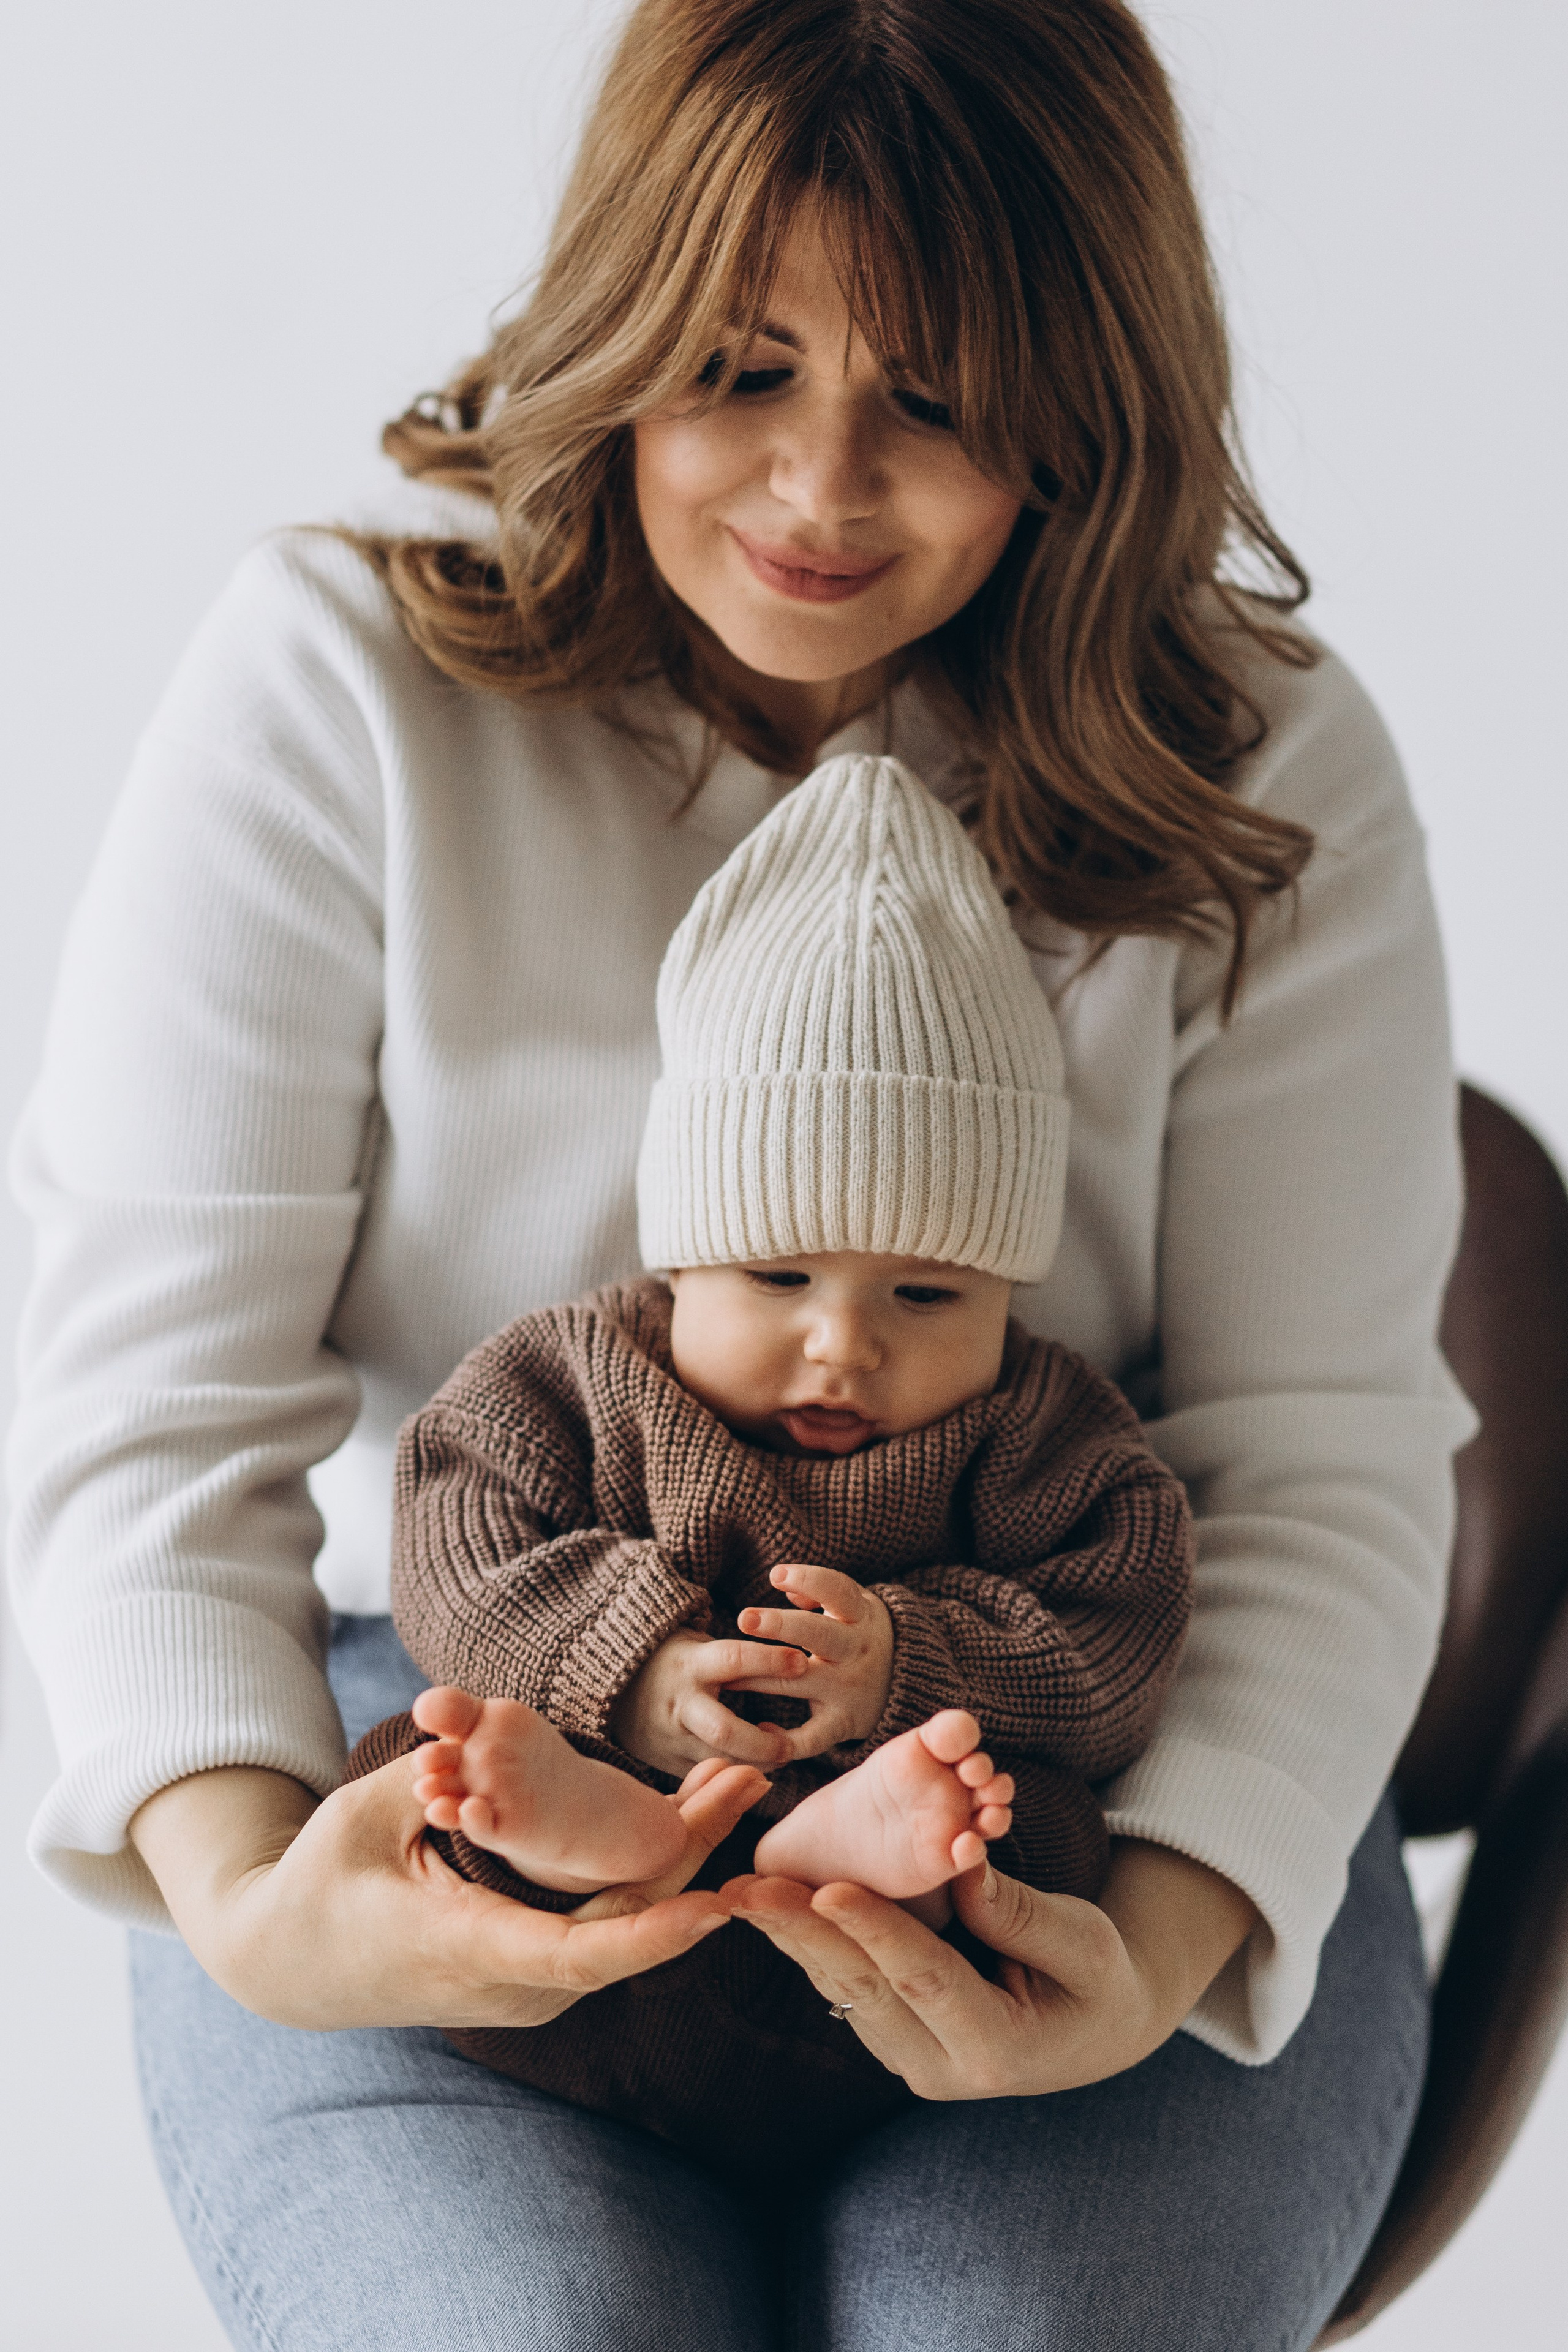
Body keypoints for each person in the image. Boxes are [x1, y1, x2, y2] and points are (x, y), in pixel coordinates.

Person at [5, 1, 1472, 2346]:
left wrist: (1146, 1955)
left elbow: (1317, 1464)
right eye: (738, 366)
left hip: (1096, 1763)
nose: (816, 488)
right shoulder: (333, 691)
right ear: (611, 327)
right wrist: (265, 1902)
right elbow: (146, 1404)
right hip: (467, 1719)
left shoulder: (1263, 779)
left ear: (1083, 408)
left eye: (938, 397)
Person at [346, 752, 1193, 2172]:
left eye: (926, 1297)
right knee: (410, 1765)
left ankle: (863, 1850)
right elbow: (459, 1536)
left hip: (873, 1990)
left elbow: (1115, 1634)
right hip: (576, 1951)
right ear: (678, 1257)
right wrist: (639, 1669)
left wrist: (909, 1676)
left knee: (1039, 1826)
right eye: (778, 1275)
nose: (842, 1349)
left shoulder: (1043, 1434)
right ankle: (588, 1831)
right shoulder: (573, 1377)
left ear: (1007, 1294)